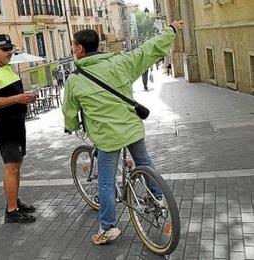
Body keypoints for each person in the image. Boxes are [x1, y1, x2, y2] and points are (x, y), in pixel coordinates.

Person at [62, 21, 184, 244]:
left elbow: (69, 111)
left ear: (80, 49)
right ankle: (158, 197)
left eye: (73, 47)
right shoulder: (120, 62)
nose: (73, 51)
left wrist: (70, 125)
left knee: (106, 183)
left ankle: (108, 228)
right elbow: (148, 49)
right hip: (132, 128)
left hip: (107, 137)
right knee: (144, 162)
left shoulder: (75, 79)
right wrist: (171, 30)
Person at [0, 34, 37, 224]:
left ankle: (15, 201)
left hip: (16, 124)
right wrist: (18, 99)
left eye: (10, 48)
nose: (10, 52)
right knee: (11, 168)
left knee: (16, 166)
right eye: (5, 50)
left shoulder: (7, 68)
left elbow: (13, 94)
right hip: (4, 127)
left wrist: (25, 97)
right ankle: (11, 211)